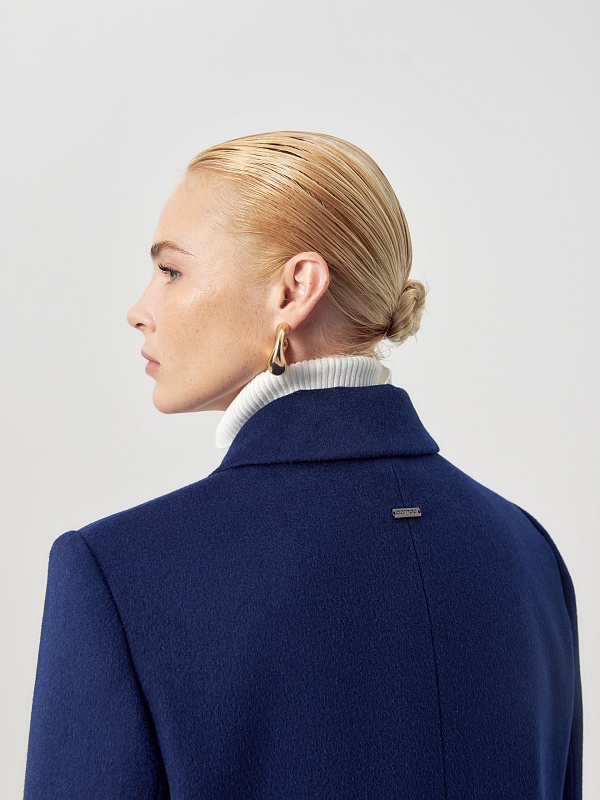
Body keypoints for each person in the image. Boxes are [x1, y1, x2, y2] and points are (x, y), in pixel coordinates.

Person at [24, 132, 582, 799]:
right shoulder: (527, 551)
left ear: (296, 288)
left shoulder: (118, 573)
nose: (139, 311)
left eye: (171, 271)